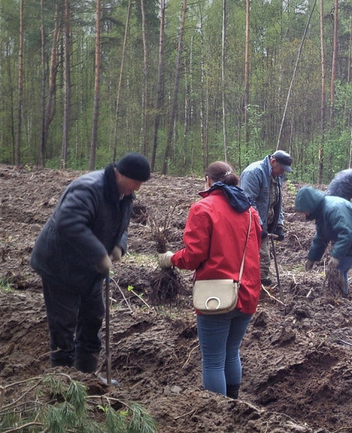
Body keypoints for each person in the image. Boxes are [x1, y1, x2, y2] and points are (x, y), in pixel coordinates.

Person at [31, 153, 151, 373]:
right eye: (136, 183)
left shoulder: (125, 194)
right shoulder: (89, 189)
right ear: (121, 174)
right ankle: (63, 388)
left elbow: (121, 226)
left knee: (93, 318)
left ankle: (87, 379)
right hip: (60, 267)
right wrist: (99, 255)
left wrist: (118, 247)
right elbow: (69, 223)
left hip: (90, 270)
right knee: (64, 326)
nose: (138, 189)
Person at [158, 162, 261, 399]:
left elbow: (194, 256)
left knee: (213, 361)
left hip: (216, 295)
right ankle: (233, 406)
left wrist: (171, 259)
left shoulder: (202, 209)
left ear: (207, 180)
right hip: (247, 292)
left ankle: (218, 414)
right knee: (231, 351)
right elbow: (257, 246)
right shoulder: (249, 211)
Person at [295, 186, 352, 295]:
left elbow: (346, 233)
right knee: (340, 269)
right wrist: (312, 258)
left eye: (304, 210)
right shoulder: (322, 211)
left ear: (311, 205)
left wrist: (336, 257)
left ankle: (339, 297)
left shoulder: (334, 208)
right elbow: (321, 237)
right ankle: (342, 294)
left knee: (336, 269)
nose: (304, 214)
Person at [240, 150, 292, 286]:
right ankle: (256, 285)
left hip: (265, 223)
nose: (282, 172)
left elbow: (277, 201)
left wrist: (278, 225)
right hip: (251, 222)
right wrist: (258, 224)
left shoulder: (277, 175)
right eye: (281, 168)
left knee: (262, 255)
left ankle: (257, 283)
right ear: (273, 161)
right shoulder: (254, 172)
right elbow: (248, 201)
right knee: (261, 256)